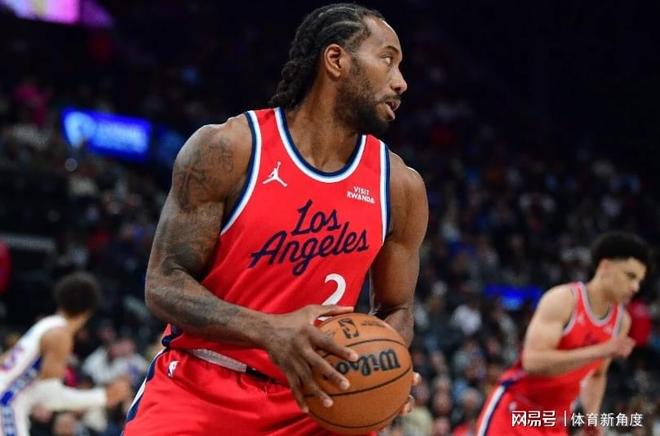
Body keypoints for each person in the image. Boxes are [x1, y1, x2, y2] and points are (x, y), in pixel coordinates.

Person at [123, 3, 428, 435]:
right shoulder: (229, 149)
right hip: (200, 387)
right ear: (336, 60)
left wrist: (382, 369)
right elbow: (163, 283)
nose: (401, 82)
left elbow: (397, 307)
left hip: (314, 405)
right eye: (387, 59)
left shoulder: (400, 186)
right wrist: (268, 330)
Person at [476, 232, 652, 436]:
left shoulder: (621, 321)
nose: (635, 287)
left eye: (639, 281)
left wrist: (591, 417)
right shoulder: (563, 300)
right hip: (516, 410)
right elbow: (533, 362)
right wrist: (600, 350)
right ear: (605, 266)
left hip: (555, 420)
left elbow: (597, 374)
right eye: (630, 276)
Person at [0, 271, 132, 436]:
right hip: (6, 405)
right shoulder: (61, 335)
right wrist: (103, 396)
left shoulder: (45, 325)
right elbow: (49, 397)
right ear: (89, 311)